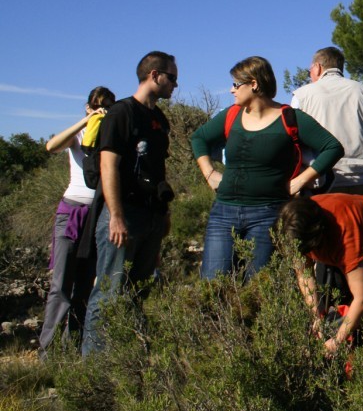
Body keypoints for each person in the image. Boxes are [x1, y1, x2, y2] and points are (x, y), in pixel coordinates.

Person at [191, 56, 343, 280]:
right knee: (214, 287)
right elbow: (199, 138)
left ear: (254, 84)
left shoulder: (289, 118)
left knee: (258, 289)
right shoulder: (230, 115)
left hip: (267, 215)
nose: (232, 90)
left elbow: (332, 147)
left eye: (236, 84)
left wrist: (302, 180)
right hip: (223, 213)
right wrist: (209, 173)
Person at [82, 52, 177, 356]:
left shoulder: (159, 119)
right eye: (172, 77)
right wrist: (115, 216)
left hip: (150, 215)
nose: (176, 84)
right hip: (124, 215)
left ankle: (127, 364)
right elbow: (108, 166)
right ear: (154, 75)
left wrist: (164, 214)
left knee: (137, 293)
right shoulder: (121, 113)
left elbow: (157, 169)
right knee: (108, 293)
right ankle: (94, 374)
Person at [38, 86, 115, 358]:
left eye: (106, 105)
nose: (100, 108)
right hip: (71, 211)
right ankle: (49, 352)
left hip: (97, 213)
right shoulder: (79, 134)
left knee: (85, 284)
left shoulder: (109, 136)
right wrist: (86, 121)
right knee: (60, 285)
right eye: (96, 104)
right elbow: (51, 146)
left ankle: (76, 347)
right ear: (87, 106)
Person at [276, 193, 363, 355]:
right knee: (330, 299)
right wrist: (315, 315)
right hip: (334, 231)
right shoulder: (294, 227)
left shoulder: (345, 237)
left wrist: (337, 340)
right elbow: (304, 275)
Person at [291, 47, 363, 196]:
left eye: (310, 69)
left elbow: (291, 138)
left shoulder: (302, 95)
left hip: (322, 181)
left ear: (317, 67)